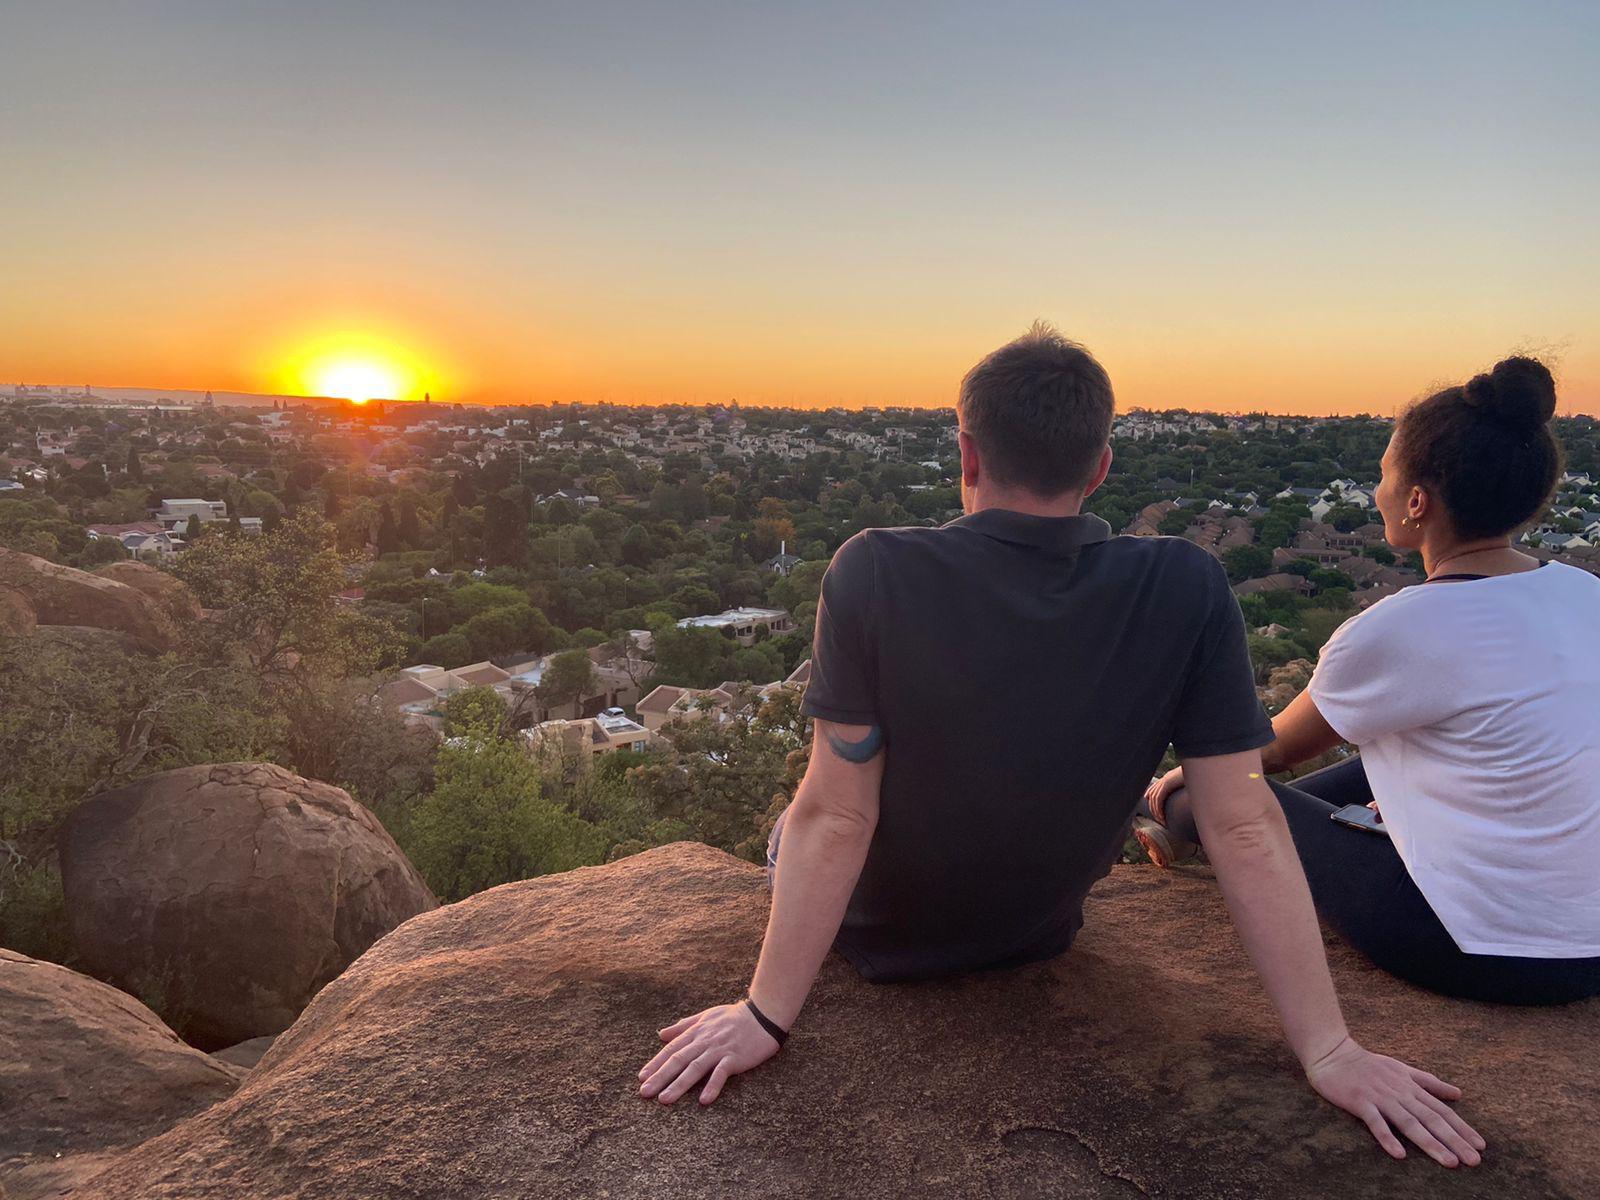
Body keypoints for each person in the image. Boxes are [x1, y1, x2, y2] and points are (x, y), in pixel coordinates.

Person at [637, 323, 1483, 1169]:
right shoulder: (1184, 584)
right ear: (1102, 465)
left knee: (795, 816)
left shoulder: (875, 571)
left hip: (872, 934)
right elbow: (1243, 825)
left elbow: (835, 814)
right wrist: (1329, 1050)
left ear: (967, 455)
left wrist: (764, 1014)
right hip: (1033, 931)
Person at [1138, 356, 1600, 1007]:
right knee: (1377, 752)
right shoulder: (1585, 594)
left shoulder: (1403, 627)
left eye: (1384, 472)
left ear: (1417, 501)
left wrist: (1188, 777)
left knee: (1213, 793)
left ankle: (1172, 815)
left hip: (1481, 946)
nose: (1377, 486)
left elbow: (1263, 756)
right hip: (1590, 947)